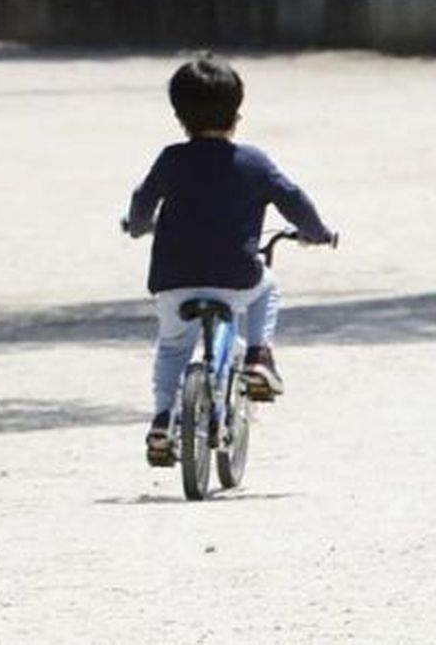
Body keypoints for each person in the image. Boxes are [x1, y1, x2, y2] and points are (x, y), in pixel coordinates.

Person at [123, 53, 334, 465]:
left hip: (173, 279)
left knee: (171, 348)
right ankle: (258, 358)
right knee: (266, 289)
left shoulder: (170, 159)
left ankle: (163, 421)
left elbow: (141, 201)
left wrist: (136, 225)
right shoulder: (252, 161)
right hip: (235, 277)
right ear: (237, 112)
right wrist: (317, 233)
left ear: (179, 115)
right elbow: (292, 198)